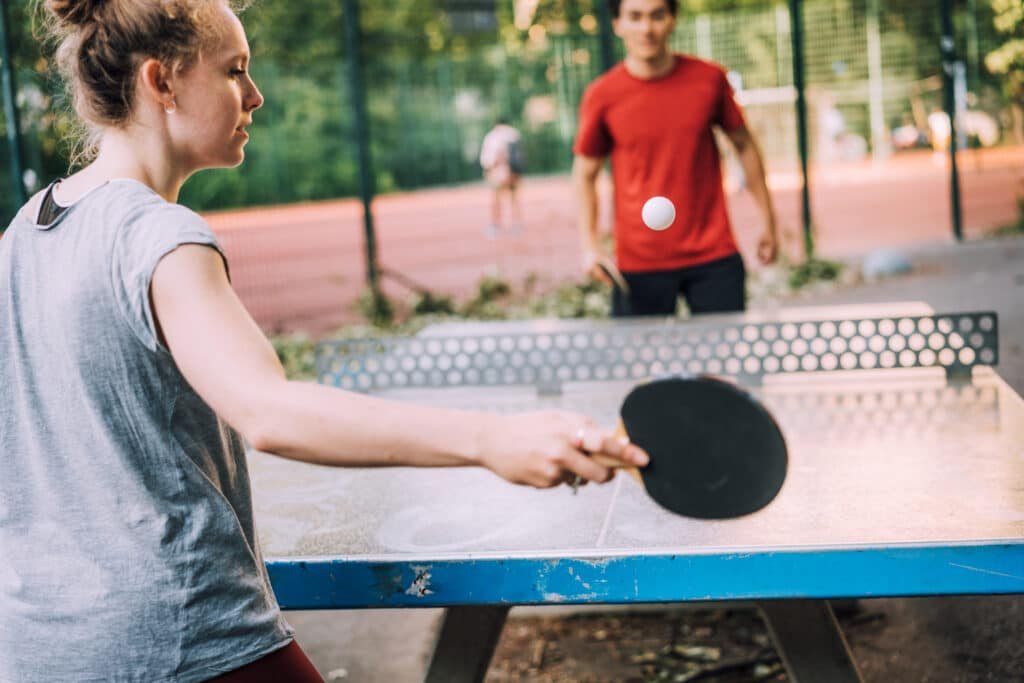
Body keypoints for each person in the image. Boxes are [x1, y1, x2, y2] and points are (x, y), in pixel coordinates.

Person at [0, 1, 649, 681]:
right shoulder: (158, 237)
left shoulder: (22, 233)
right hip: (177, 637)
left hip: (36, 646)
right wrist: (491, 439)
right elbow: (271, 413)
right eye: (234, 71)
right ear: (160, 81)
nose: (255, 95)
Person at [573, 0, 780, 317]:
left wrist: (767, 220)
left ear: (672, 20)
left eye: (657, 15)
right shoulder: (602, 95)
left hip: (713, 255)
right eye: (635, 17)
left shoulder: (709, 79)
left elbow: (744, 144)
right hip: (638, 263)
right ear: (617, 24)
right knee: (641, 367)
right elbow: (585, 174)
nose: (647, 28)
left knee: (719, 366)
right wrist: (590, 245)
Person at [479, 116, 525, 237]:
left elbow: (489, 158)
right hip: (515, 172)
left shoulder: (492, 136)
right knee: (514, 198)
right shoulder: (515, 134)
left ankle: (495, 225)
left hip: (498, 171)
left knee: (496, 199)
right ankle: (516, 225)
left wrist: (488, 170)